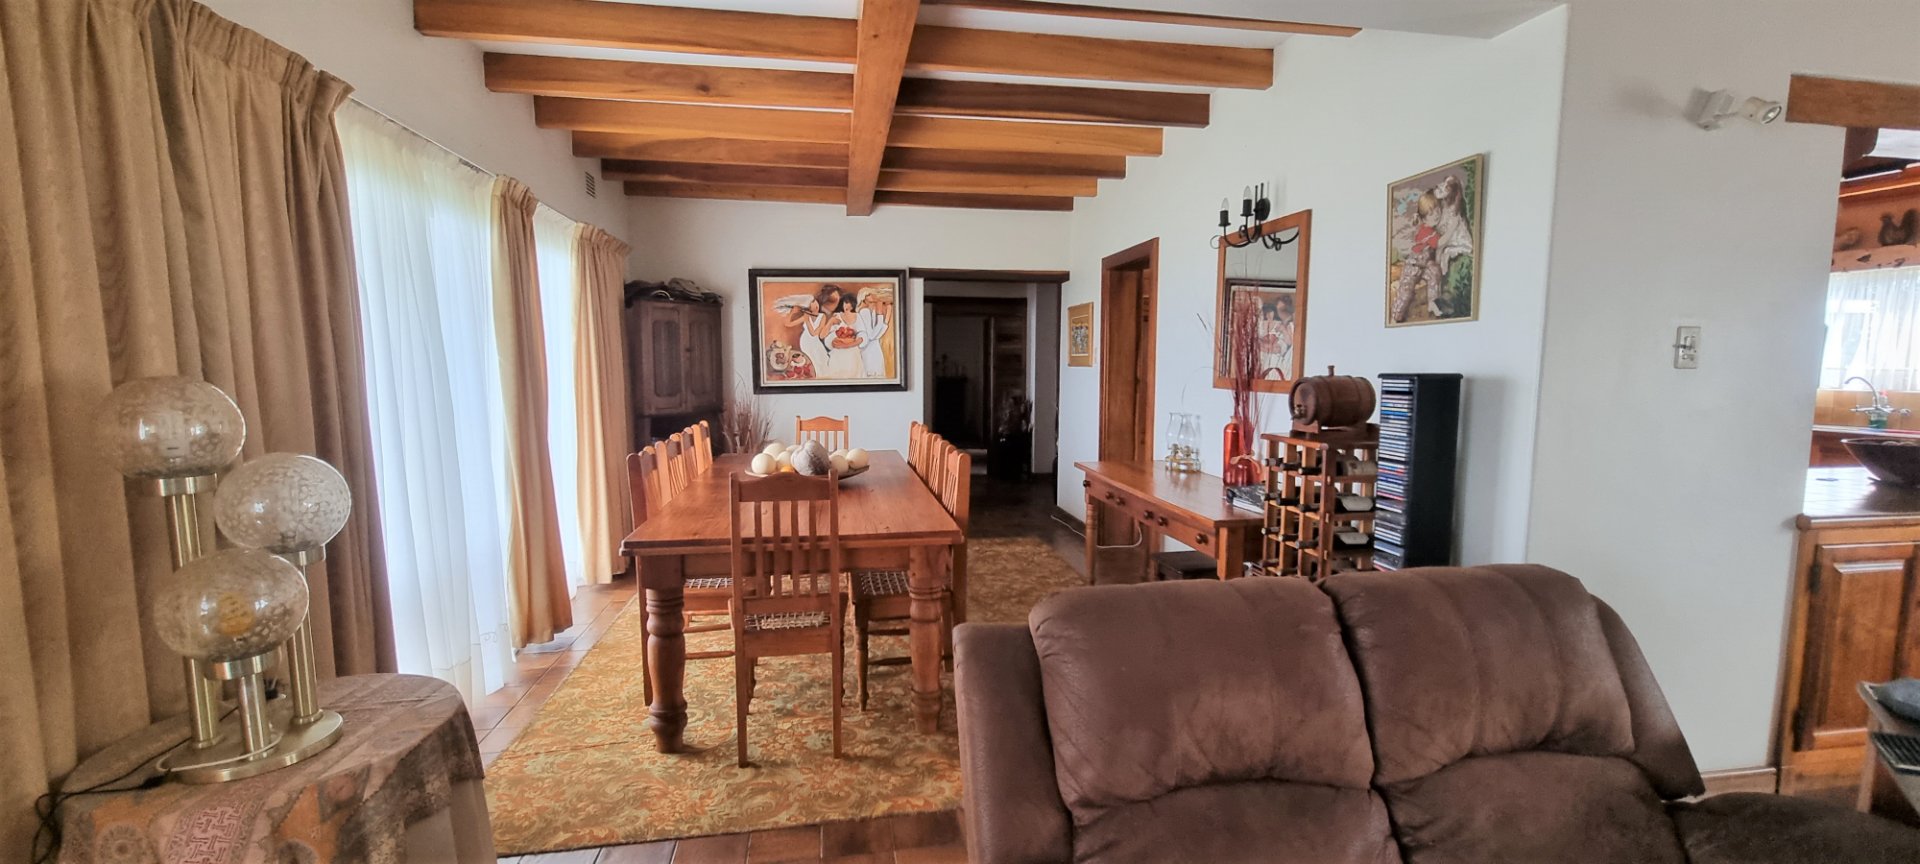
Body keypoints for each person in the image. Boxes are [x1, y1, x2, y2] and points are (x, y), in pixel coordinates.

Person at [855, 288, 893, 378]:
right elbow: (872, 336)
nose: (872, 296)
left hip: (874, 349)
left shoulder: (869, 311)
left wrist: (886, 318)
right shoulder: (864, 311)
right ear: (863, 298)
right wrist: (880, 315)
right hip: (870, 352)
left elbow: (877, 335)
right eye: (869, 295)